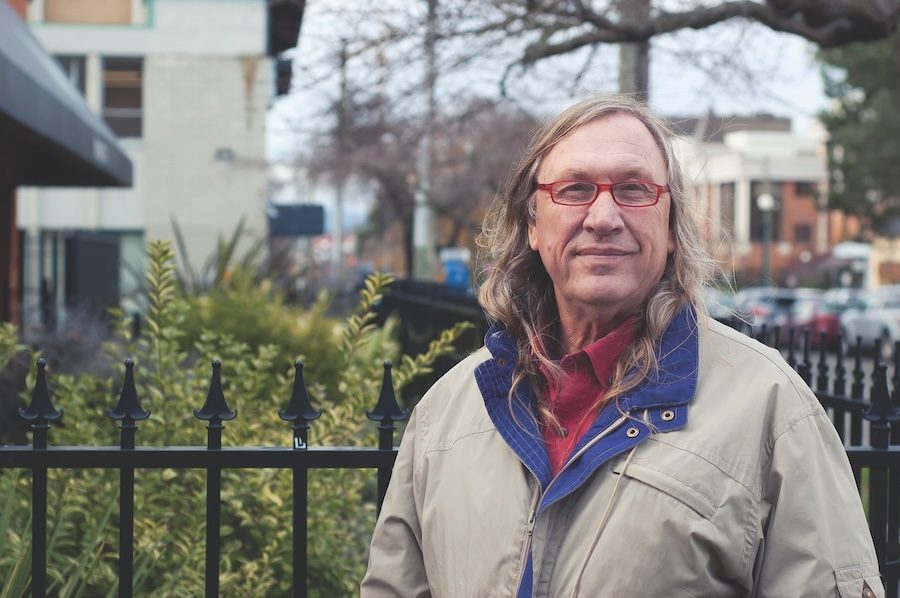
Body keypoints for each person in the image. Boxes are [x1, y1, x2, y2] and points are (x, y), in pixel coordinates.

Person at [361, 95, 884, 597]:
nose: (604, 217)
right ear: (532, 224)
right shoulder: (447, 413)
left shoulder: (771, 407)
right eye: (574, 189)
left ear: (673, 224)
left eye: (634, 190)